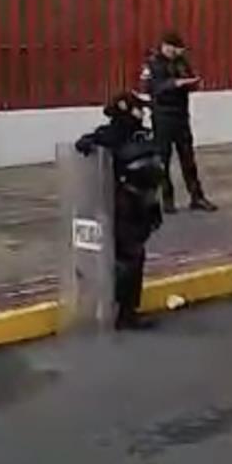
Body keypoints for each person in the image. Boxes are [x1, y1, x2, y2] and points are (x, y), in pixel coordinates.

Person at [75, 91, 165, 331]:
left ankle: (127, 309)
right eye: (138, 108)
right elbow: (85, 144)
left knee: (135, 257)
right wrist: (89, 144)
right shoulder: (110, 135)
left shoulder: (142, 134)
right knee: (128, 258)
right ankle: (123, 313)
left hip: (143, 204)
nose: (143, 113)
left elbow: (154, 167)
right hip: (124, 204)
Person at [141, 32, 216, 214]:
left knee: (188, 158)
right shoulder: (152, 64)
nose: (176, 53)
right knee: (163, 160)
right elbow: (150, 88)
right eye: (173, 49)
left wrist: (191, 83)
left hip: (181, 116)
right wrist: (174, 84)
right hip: (162, 116)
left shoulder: (181, 62)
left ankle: (197, 197)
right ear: (166, 46)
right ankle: (167, 200)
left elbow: (190, 79)